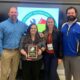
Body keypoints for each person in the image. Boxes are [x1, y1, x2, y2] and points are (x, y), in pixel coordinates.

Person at [0, 7, 27, 80]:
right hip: (6, 52)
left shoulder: (23, 25)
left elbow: (32, 30)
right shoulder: (2, 25)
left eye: (15, 12)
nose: (13, 14)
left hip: (17, 51)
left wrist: (41, 34)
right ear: (8, 14)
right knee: (4, 72)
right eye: (12, 12)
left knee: (14, 71)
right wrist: (1, 52)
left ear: (17, 14)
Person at [61, 7, 80, 80]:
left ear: (76, 14)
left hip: (76, 56)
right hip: (65, 56)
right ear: (66, 14)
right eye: (68, 13)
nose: (70, 14)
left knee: (77, 76)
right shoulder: (63, 25)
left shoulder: (79, 25)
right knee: (67, 76)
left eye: (72, 13)